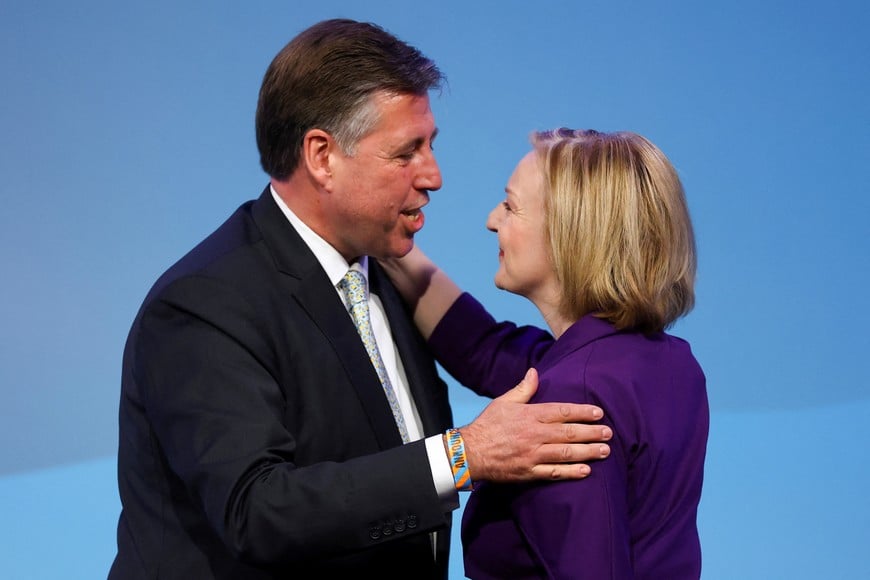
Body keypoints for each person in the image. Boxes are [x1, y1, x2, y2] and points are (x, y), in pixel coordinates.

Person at [109, 21, 614, 579]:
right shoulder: (206, 303)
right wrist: (463, 455)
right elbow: (256, 510)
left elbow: (494, 351)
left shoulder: (385, 273)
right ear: (322, 156)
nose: (435, 176)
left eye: (432, 144)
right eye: (406, 152)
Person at [383, 128, 710, 579]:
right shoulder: (668, 364)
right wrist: (385, 244)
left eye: (511, 206)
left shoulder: (570, 400)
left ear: (571, 235)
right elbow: (484, 349)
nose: (491, 220)